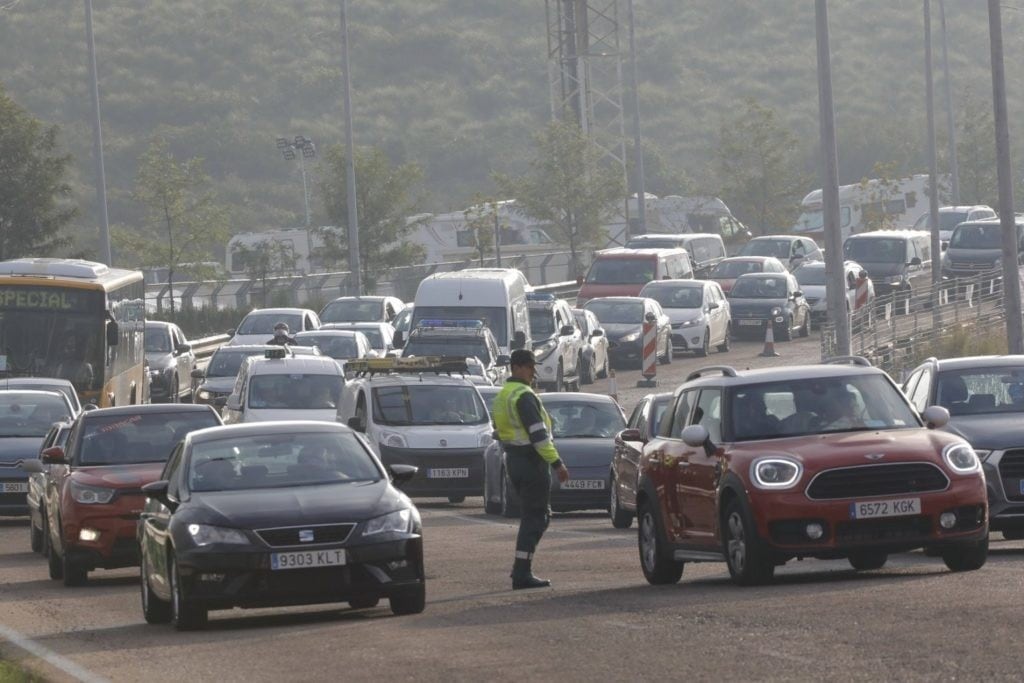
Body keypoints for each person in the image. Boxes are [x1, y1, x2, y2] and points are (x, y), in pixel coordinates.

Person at [492, 349, 570, 590]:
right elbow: (538, 435)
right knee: (537, 517)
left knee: (532, 516)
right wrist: (557, 463)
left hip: (514, 461)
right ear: (516, 367)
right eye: (529, 367)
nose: (533, 372)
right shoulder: (524, 396)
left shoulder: (503, 395)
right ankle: (521, 573)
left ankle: (521, 569)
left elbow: (499, 430)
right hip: (532, 461)